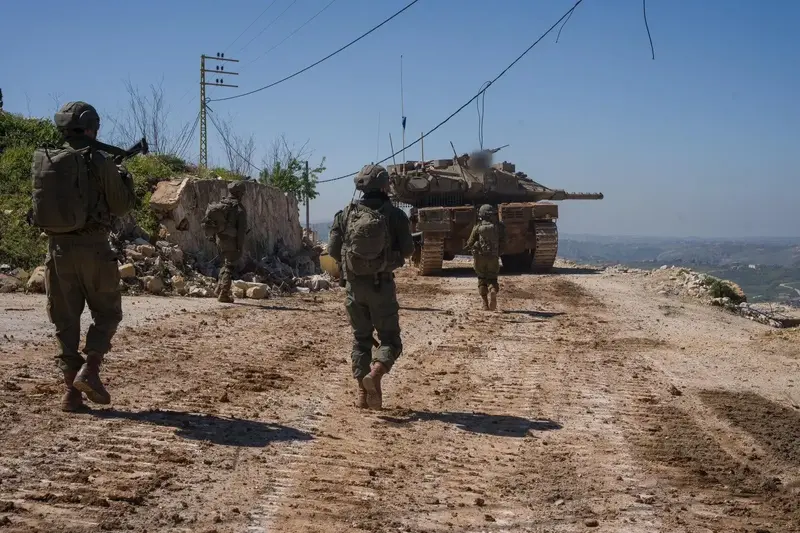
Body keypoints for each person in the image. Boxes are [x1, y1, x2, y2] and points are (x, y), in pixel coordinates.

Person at [31, 101, 137, 411]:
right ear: (92, 127)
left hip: (57, 250)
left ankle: (71, 394)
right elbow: (121, 206)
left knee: (65, 320)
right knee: (107, 313)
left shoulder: (48, 159)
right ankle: (90, 370)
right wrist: (123, 176)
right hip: (94, 247)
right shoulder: (100, 160)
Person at [328, 164, 414, 410]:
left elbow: (333, 250)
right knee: (390, 340)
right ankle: (375, 374)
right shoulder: (395, 215)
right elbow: (408, 250)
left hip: (354, 288)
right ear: (385, 185)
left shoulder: (345, 214)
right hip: (382, 286)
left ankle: (362, 394)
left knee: (361, 339)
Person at [201, 181, 248, 303]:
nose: (243, 195)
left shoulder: (222, 204)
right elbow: (241, 232)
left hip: (219, 239)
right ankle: (224, 293)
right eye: (242, 193)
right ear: (239, 193)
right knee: (230, 266)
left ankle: (218, 289)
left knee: (225, 264)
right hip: (231, 241)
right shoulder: (239, 209)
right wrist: (239, 246)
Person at [466, 204, 505, 311]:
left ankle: (485, 304)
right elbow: (503, 242)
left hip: (480, 258)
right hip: (493, 257)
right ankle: (492, 290)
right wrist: (498, 253)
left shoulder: (477, 227)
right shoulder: (498, 227)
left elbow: (470, 242)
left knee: (481, 278)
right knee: (492, 278)